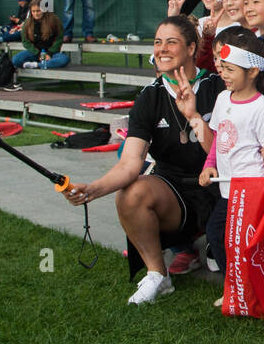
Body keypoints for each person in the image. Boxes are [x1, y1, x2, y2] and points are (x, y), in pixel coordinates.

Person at [62, 16, 225, 304]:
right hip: (173, 189)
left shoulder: (216, 87)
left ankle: (214, 251)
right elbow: (130, 164)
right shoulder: (149, 97)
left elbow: (225, 155)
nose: (162, 49)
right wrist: (93, 189)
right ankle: (158, 275)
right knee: (131, 194)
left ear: (191, 48)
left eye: (171, 42)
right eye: (157, 42)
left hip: (218, 184)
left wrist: (194, 117)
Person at [199, 29, 264, 285]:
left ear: (252, 72)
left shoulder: (262, 108)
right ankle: (236, 287)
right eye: (222, 67)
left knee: (249, 243)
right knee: (217, 235)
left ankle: (254, 288)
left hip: (251, 192)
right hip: (227, 188)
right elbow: (218, 137)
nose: (222, 74)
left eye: (230, 69)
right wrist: (209, 166)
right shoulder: (221, 98)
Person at [8, 4, 69, 83]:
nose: (36, 13)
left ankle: (36, 65)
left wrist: (49, 53)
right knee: (16, 60)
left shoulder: (54, 20)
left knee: (64, 59)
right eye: (33, 11)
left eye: (38, 11)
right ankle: (43, 64)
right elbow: (25, 42)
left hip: (51, 53)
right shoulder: (27, 23)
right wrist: (38, 54)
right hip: (34, 52)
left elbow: (59, 39)